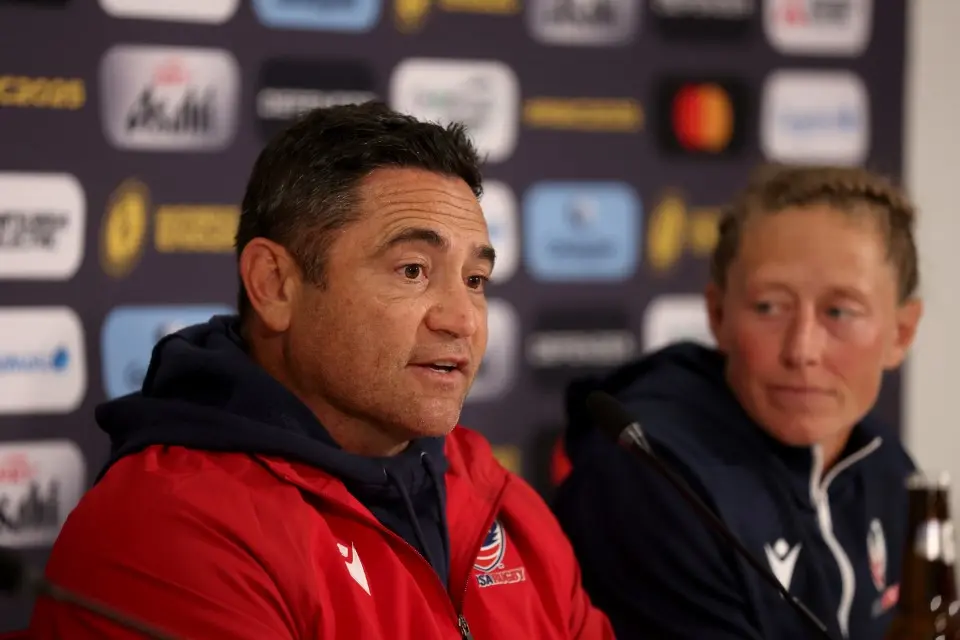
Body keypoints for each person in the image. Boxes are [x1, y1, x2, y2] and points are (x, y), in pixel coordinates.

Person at [29, 102, 613, 640]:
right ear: (274, 285)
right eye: (412, 270)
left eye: (475, 280)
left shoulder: (497, 497)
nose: (463, 319)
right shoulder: (168, 529)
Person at [552, 164, 923, 640]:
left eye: (840, 311)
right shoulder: (648, 477)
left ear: (901, 333)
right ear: (718, 315)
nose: (802, 350)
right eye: (770, 306)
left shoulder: (889, 467)